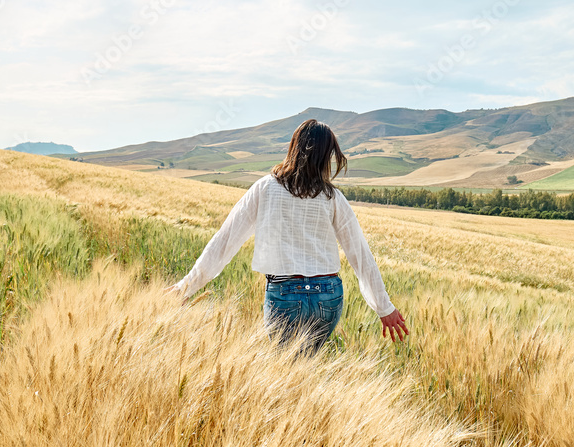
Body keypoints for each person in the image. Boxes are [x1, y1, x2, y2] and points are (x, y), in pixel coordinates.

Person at [165, 118, 409, 355]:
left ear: (294, 147)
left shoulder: (265, 188)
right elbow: (361, 255)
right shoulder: (333, 198)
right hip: (328, 295)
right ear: (326, 156)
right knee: (305, 369)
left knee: (287, 374)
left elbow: (225, 240)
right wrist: (383, 307)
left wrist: (186, 286)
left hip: (285, 294)